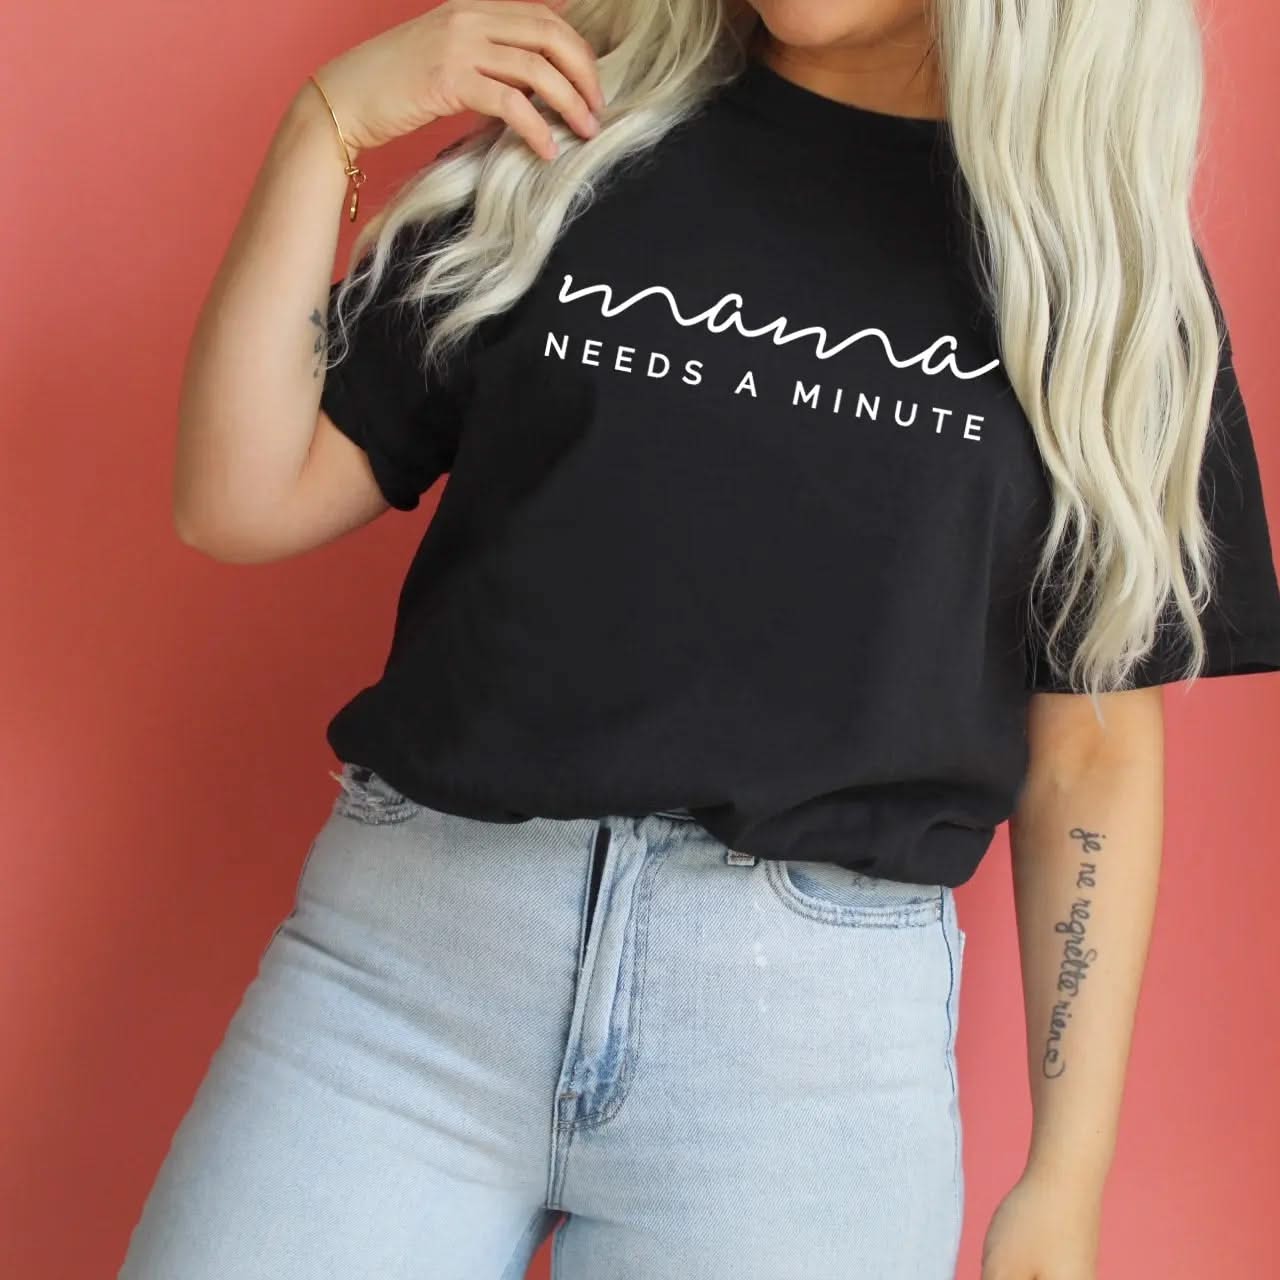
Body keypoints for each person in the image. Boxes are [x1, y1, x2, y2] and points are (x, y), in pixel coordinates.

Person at [124, 1, 1280, 1277]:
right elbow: (236, 498)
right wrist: (326, 123)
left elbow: (1090, 757)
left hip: (803, 1069)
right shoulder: (576, 141)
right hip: (399, 983)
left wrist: (1066, 1171)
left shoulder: (1103, 287)